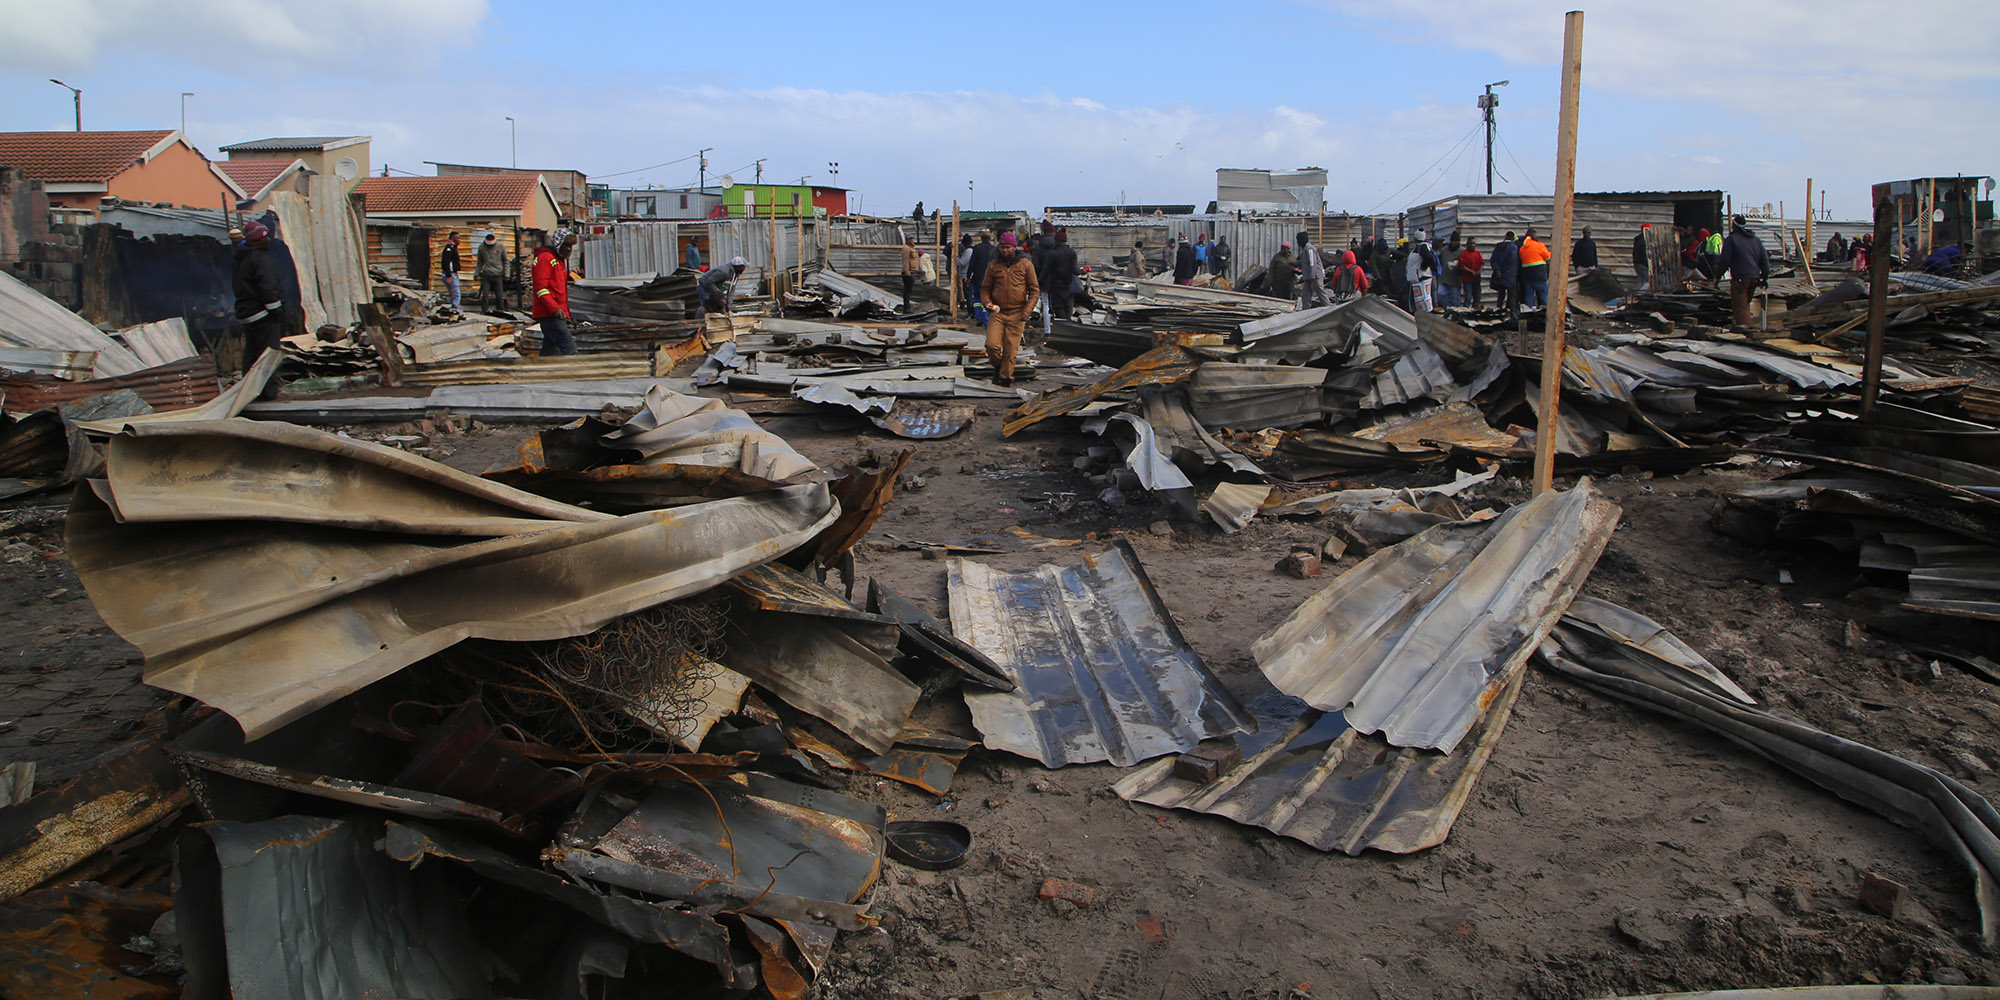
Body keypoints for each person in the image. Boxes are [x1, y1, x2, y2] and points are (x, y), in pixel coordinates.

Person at [980, 232, 1039, 387]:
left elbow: (1034, 290)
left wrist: (1027, 310)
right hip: (997, 312)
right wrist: (987, 304)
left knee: (1010, 350)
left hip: (1017, 313)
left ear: (1014, 247)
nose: (1005, 250)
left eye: (1008, 247)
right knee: (992, 345)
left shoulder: (1025, 264)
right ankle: (998, 366)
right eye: (1002, 247)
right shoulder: (993, 265)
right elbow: (985, 289)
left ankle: (1005, 379)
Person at [233, 220, 284, 372]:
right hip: (263, 315)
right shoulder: (261, 260)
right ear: (259, 240)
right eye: (265, 238)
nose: (268, 241)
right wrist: (277, 311)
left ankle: (249, 389)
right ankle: (267, 390)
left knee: (252, 354)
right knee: (268, 356)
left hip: (247, 314)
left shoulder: (240, 259)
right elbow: (267, 288)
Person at [531, 228, 577, 356]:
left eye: (570, 246)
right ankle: (576, 374)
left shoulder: (558, 260)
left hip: (554, 313)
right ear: (558, 243)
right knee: (569, 348)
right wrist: (554, 308)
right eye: (566, 245)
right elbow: (541, 288)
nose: (568, 249)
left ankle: (543, 372)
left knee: (550, 351)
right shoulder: (546, 258)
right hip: (550, 314)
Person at [1718, 215, 1769, 328]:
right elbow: (1764, 260)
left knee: (1740, 308)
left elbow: (1725, 260)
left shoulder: (1732, 240)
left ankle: (1746, 333)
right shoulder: (1756, 240)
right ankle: (1748, 327)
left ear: (1734, 226)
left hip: (1740, 279)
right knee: (1746, 304)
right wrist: (1765, 277)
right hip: (1754, 278)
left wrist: (1717, 276)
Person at [1044, 229, 1078, 321]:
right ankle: (1068, 327)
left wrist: (1040, 282)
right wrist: (1083, 271)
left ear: (1056, 240)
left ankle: (1063, 327)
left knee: (1058, 308)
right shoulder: (1072, 252)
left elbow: (1046, 271)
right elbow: (1075, 271)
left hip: (1056, 286)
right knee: (1068, 308)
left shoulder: (1052, 254)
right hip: (1068, 285)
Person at [1489, 230, 1520, 317]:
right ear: (1513, 238)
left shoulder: (1498, 246)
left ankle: (1498, 312)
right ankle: (1512, 315)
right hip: (1510, 275)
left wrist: (1497, 270)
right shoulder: (1513, 247)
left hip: (1499, 276)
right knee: (1511, 296)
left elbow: (1493, 260)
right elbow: (1511, 261)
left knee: (1501, 295)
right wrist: (1505, 270)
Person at [1518, 228, 1551, 308]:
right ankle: (1546, 313)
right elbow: (1548, 257)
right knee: (1544, 295)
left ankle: (1528, 313)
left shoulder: (1522, 249)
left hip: (1527, 275)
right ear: (1534, 237)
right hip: (1539, 274)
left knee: (1529, 296)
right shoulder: (1539, 245)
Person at [475, 233, 507, 313]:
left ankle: (500, 310)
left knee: (499, 295)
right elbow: (479, 261)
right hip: (486, 274)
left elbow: (505, 261)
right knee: (485, 295)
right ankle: (484, 310)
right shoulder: (482, 247)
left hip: (498, 274)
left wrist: (506, 273)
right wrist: (476, 273)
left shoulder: (501, 246)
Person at [1295, 231, 1326, 307]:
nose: (1297, 242)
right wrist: (1294, 263)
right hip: (1308, 276)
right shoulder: (1305, 249)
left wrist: (1312, 277)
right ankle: (1306, 308)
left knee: (1320, 292)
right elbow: (1304, 262)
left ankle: (1328, 307)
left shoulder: (1309, 249)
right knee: (1306, 293)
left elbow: (1312, 264)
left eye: (1298, 240)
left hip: (1315, 276)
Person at [1457, 239, 1484, 308]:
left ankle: (1475, 312)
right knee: (1468, 297)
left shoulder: (1477, 253)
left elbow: (1482, 263)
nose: (1472, 245)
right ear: (1467, 244)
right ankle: (1465, 312)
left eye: (1473, 243)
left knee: (1477, 297)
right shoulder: (1463, 254)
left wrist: (1479, 271)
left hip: (1477, 279)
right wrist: (1472, 272)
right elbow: (1461, 266)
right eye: (1470, 243)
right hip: (1467, 280)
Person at [439, 233, 462, 310]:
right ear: (452, 238)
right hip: (451, 274)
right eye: (457, 238)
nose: (459, 239)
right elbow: (447, 262)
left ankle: (453, 307)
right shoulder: (449, 248)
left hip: (453, 273)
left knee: (453, 293)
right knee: (456, 294)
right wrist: (449, 275)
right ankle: (455, 308)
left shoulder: (453, 248)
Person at [1632, 224, 1653, 293]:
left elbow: (1634, 252)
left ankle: (1638, 293)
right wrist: (1648, 264)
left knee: (1640, 279)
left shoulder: (1637, 239)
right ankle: (1640, 294)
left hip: (1637, 263)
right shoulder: (1645, 240)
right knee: (1648, 281)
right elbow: (1644, 254)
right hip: (1643, 263)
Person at [901, 235, 920, 312]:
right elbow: (905, 261)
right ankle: (906, 308)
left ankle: (907, 307)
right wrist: (906, 271)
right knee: (907, 291)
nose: (911, 240)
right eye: (909, 239)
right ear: (906, 240)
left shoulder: (912, 248)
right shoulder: (906, 248)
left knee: (909, 290)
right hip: (908, 272)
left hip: (912, 271)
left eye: (912, 238)